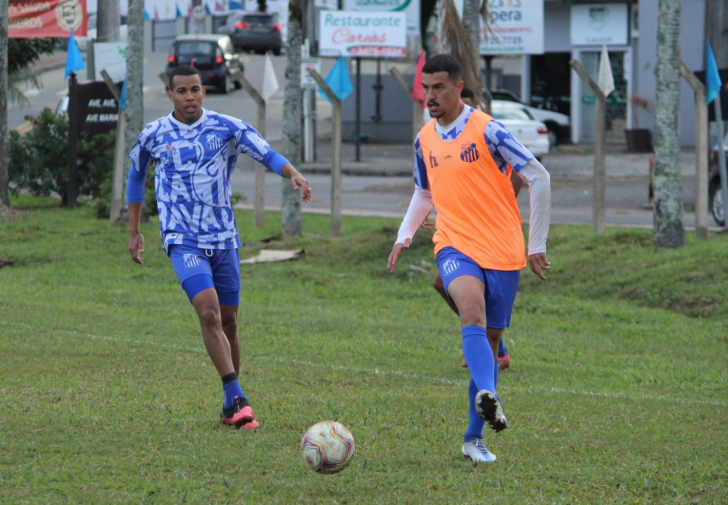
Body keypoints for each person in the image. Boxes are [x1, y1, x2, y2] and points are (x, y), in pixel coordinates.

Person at [127, 65, 312, 430]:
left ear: (203, 92)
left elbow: (266, 154)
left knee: (228, 321)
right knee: (209, 312)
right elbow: (136, 176)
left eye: (195, 89)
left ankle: (230, 403)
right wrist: (134, 230)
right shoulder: (154, 134)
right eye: (182, 91)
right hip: (182, 239)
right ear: (170, 95)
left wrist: (292, 173)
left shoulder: (226, 127)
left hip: (224, 238)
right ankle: (239, 398)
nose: (190, 97)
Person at [388, 55, 551, 463]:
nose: (430, 96)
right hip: (453, 242)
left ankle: (473, 438)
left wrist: (536, 244)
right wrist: (404, 235)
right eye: (426, 88)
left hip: (502, 247)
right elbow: (424, 192)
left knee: (492, 342)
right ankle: (488, 393)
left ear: (459, 87)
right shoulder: (424, 138)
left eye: (439, 87)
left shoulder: (489, 130)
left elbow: (539, 177)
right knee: (471, 312)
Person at [422, 86, 521, 370]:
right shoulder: (436, 137)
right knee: (442, 283)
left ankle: (491, 347)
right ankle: (488, 342)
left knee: (478, 300)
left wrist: (496, 207)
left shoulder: (487, 134)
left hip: (493, 237)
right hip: (460, 234)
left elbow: (522, 177)